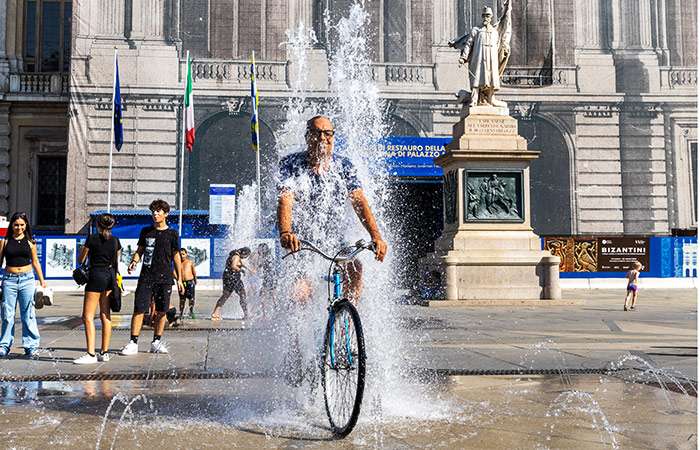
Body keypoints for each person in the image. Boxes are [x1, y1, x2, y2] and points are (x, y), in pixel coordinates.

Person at [277, 115, 388, 304]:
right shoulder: (290, 164)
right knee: (300, 293)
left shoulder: (343, 166)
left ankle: (346, 321)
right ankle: (298, 331)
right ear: (307, 136)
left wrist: (376, 236)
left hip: (335, 238)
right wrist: (286, 232)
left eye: (327, 133)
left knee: (355, 270)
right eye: (317, 133)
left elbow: (359, 200)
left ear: (333, 137)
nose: (322, 138)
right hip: (302, 240)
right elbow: (286, 199)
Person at [120, 199, 183, 355]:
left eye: (158, 211)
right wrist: (134, 261)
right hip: (146, 276)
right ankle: (133, 342)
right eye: (153, 212)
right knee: (139, 309)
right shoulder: (146, 231)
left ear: (166, 214)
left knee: (161, 311)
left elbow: (176, 257)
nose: (155, 214)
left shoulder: (172, 234)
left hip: (165, 278)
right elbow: (140, 250)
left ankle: (156, 341)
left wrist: (180, 279)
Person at [73, 213, 121, 364]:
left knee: (87, 316)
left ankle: (91, 354)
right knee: (105, 315)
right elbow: (116, 261)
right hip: (109, 277)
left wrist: (84, 250)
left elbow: (81, 259)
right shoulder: (115, 241)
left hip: (95, 276)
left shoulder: (92, 238)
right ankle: (105, 352)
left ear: (98, 225)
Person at [0, 212, 47, 358]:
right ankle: (4, 345)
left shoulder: (30, 242)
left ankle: (31, 346)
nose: (19, 227)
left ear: (26, 225)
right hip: (9, 280)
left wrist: (42, 281)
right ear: (11, 225)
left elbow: (35, 262)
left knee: (28, 314)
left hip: (27, 280)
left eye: (21, 225)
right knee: (7, 315)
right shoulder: (5, 241)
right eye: (16, 225)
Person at [448, 0, 512, 107]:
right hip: (478, 59)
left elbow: (498, 44)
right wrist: (463, 58)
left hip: (491, 60)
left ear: (491, 17)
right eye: (484, 15)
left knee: (491, 79)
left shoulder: (495, 32)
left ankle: (491, 98)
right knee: (476, 79)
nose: (486, 17)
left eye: (488, 16)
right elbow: (468, 44)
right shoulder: (476, 30)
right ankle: (474, 99)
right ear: (482, 17)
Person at [211, 247, 252, 321]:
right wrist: (242, 270)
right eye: (246, 256)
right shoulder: (236, 257)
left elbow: (241, 264)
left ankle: (215, 313)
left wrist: (249, 269)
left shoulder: (235, 255)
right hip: (233, 279)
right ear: (244, 253)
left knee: (225, 296)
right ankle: (246, 315)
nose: (245, 258)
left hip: (228, 278)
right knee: (242, 295)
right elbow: (234, 266)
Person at [177, 248, 197, 320]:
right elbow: (174, 272)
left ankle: (191, 311)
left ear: (186, 254)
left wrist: (195, 279)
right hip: (182, 283)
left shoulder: (189, 262)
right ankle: (181, 313)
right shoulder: (178, 263)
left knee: (191, 298)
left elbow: (194, 272)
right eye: (180, 254)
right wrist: (178, 280)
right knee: (182, 299)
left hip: (190, 282)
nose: (182, 256)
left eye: (183, 254)